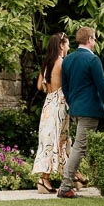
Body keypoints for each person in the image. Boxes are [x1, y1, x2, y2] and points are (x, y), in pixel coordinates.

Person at [57, 25, 104, 199]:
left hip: (75, 109)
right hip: (89, 110)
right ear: (89, 40)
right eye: (95, 39)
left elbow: (65, 87)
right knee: (79, 148)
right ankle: (65, 186)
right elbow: (102, 87)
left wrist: (72, 102)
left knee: (82, 146)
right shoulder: (93, 60)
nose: (96, 42)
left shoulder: (68, 60)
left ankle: (79, 180)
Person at [31, 32, 70, 193]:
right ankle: (46, 178)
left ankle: (47, 178)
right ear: (61, 45)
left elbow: (39, 86)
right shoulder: (62, 63)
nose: (68, 47)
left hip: (48, 103)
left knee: (48, 140)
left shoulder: (47, 63)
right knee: (60, 139)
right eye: (67, 44)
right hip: (59, 104)